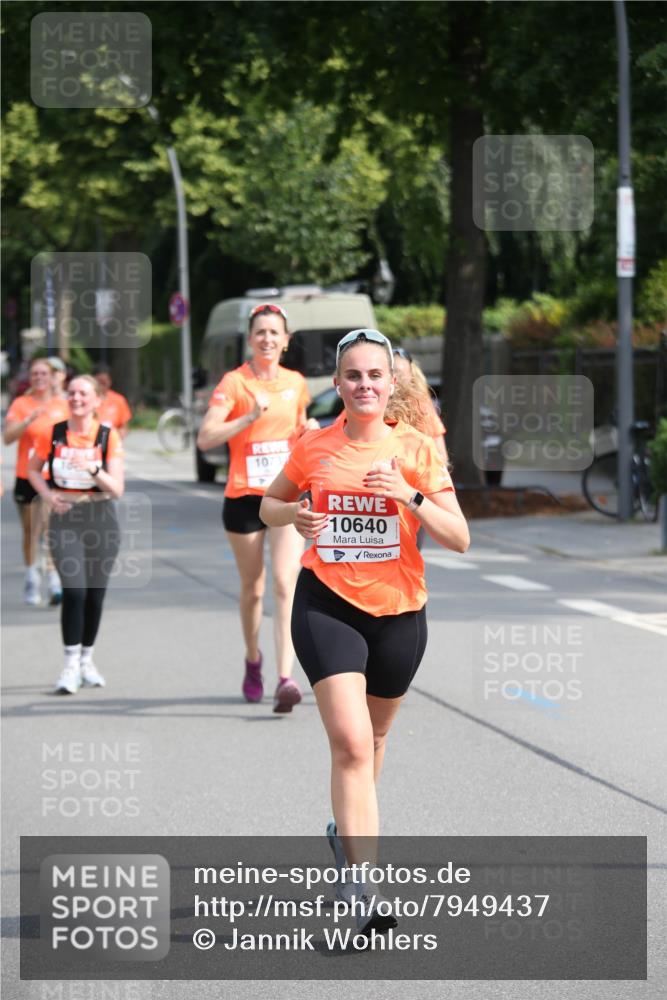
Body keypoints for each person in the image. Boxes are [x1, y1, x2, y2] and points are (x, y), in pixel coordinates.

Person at [260, 328, 469, 933]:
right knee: (351, 744)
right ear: (338, 384)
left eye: (375, 375)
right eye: (353, 375)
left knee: (374, 744)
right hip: (327, 603)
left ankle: (343, 834)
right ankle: (364, 884)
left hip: (400, 611)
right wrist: (293, 514)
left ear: (391, 382)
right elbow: (269, 506)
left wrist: (409, 495)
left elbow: (459, 537)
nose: (365, 385)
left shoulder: (417, 449)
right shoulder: (313, 446)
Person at [197, 303, 318, 713]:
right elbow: (206, 438)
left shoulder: (296, 382)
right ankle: (253, 661)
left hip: (284, 494)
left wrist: (309, 433)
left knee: (287, 584)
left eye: (275, 332)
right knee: (255, 588)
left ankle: (286, 677)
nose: (267, 338)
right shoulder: (234, 384)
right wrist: (248, 417)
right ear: (250, 340)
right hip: (244, 498)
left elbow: (299, 428)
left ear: (286, 341)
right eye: (260, 332)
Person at [26, 375, 125, 694]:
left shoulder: (107, 436)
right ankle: (69, 664)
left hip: (101, 517)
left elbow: (118, 489)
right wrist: (47, 495)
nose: (76, 398)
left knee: (95, 594)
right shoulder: (52, 433)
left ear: (97, 400)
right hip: (66, 517)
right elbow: (32, 469)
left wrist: (93, 469)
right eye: (71, 393)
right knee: (74, 591)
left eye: (83, 393)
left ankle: (86, 660)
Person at [3, 357, 69, 605]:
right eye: (35, 374)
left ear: (53, 377)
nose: (39, 378)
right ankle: (32, 575)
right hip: (25, 475)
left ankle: (54, 580)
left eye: (44, 374)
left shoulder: (63, 404)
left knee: (52, 529)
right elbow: (7, 438)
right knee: (31, 530)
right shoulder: (21, 404)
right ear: (30, 378)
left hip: (53, 476)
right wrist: (28, 420)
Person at [392, 348, 450, 465]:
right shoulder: (376, 405)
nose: (396, 379)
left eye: (401, 374)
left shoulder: (421, 405)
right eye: (394, 372)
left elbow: (441, 456)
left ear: (411, 376)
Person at [92, 364, 132, 438]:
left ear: (110, 381)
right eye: (98, 382)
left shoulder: (119, 400)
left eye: (104, 382)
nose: (101, 386)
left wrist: (115, 440)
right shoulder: (86, 399)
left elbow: (123, 427)